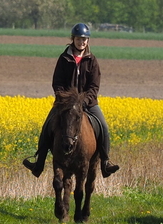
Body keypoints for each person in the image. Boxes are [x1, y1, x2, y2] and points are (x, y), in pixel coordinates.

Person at [22, 23, 120, 178]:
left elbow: (94, 86)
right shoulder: (64, 58)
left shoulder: (92, 60)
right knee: (47, 126)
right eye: (79, 39)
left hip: (88, 104)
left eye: (84, 39)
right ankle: (38, 163)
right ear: (73, 39)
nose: (81, 42)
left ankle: (105, 163)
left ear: (88, 41)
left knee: (103, 127)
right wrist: (64, 99)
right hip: (65, 105)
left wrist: (84, 101)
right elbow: (57, 82)